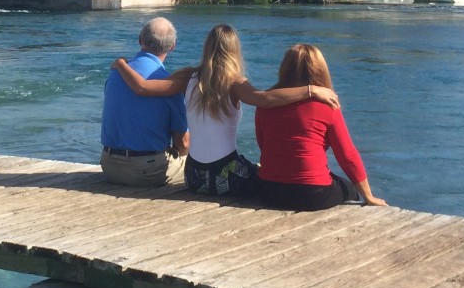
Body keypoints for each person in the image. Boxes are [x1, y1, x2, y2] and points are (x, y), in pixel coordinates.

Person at [113, 24, 339, 196]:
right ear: (233, 50)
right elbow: (265, 99)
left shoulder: (188, 76)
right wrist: (311, 90)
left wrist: (121, 64)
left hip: (194, 177)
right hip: (227, 177)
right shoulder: (236, 84)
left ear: (207, 47)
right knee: (266, 176)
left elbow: (142, 88)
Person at [254, 43, 386, 210]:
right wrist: (368, 196)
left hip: (269, 191)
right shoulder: (328, 106)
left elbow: (263, 144)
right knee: (350, 190)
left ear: (284, 69)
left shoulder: (266, 103)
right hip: (312, 194)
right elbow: (347, 155)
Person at [100, 17, 189, 187]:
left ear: (140, 40)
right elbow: (183, 143)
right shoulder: (168, 84)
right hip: (147, 171)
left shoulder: (115, 73)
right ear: (172, 46)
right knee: (191, 164)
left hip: (109, 166)